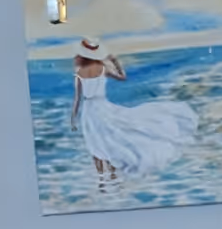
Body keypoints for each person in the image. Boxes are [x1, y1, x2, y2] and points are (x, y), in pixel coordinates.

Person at [71, 37, 198, 189]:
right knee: (108, 139)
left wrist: (73, 118)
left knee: (95, 142)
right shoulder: (103, 68)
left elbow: (77, 99)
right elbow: (122, 77)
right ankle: (112, 175)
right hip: (102, 105)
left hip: (89, 109)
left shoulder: (79, 72)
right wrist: (115, 61)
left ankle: (102, 179)